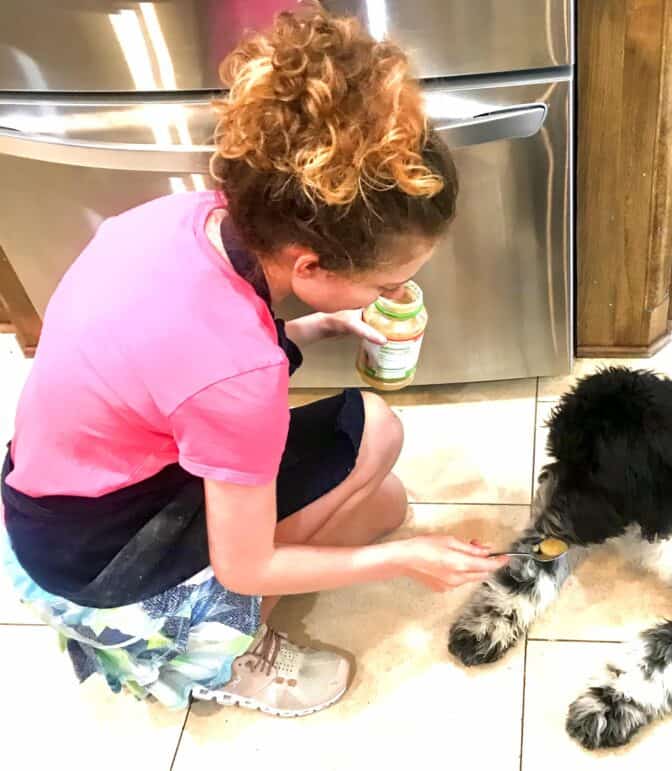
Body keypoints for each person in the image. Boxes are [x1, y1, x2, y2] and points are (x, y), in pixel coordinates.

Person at [0, 5, 507, 717]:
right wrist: (406, 559)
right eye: (384, 283)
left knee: (379, 485)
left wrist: (332, 317)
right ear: (311, 262)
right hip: (104, 555)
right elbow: (246, 559)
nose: (395, 294)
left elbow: (183, 353)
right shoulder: (242, 377)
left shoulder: (183, 219)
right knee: (378, 468)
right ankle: (216, 654)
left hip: (57, 498)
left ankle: (221, 613)